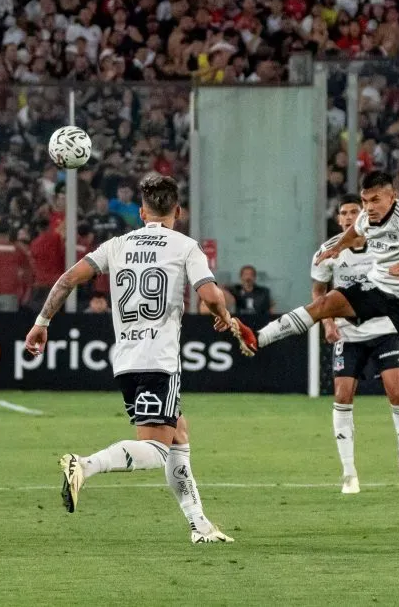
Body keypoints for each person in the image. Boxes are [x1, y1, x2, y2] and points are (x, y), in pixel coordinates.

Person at [24, 173, 251, 544]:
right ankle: (84, 465)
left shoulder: (116, 245)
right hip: (161, 360)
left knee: (178, 433)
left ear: (142, 212)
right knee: (158, 448)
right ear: (178, 210)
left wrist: (41, 322)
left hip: (127, 359)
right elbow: (210, 294)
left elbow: (66, 280)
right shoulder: (185, 246)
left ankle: (199, 525)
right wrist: (224, 317)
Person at [242, 171, 399, 494]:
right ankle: (259, 337)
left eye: (375, 200)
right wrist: (336, 248)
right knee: (325, 306)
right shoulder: (367, 218)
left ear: (392, 196)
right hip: (378, 290)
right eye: (364, 201)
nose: (369, 207)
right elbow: (355, 233)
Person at [311, 194, 399, 494]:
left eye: (353, 212)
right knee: (342, 395)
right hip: (350, 333)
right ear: (338, 219)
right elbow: (319, 289)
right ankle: (348, 472)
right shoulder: (329, 251)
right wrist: (328, 322)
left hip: (386, 328)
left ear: (362, 217)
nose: (348, 217)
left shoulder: (386, 244)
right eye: (343, 213)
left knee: (397, 392)